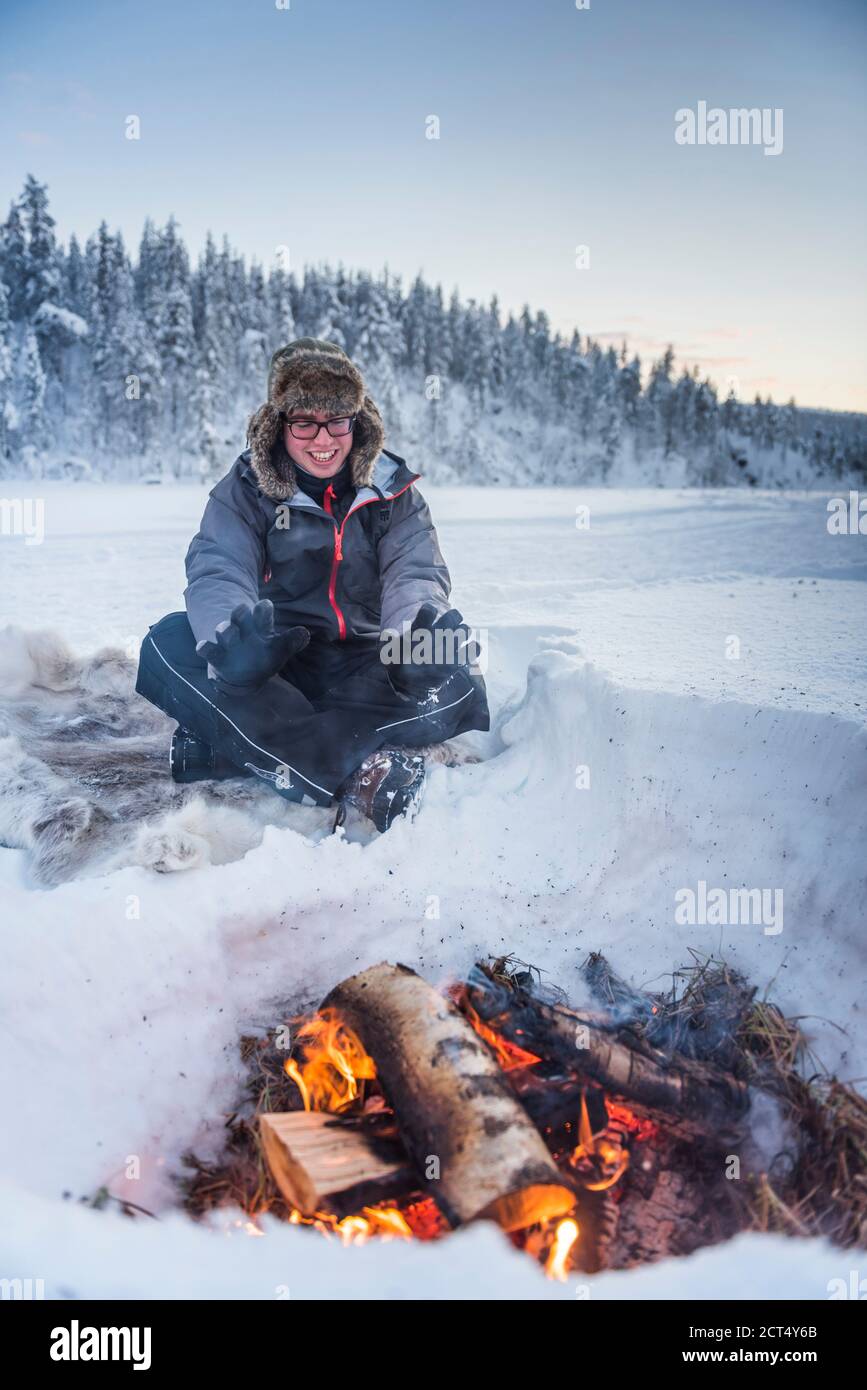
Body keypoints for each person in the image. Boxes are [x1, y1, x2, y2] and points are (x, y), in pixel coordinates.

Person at [135, 338, 489, 831]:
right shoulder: (243, 490)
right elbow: (220, 566)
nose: (323, 440)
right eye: (305, 422)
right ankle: (358, 773)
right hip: (278, 667)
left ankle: (235, 751)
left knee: (458, 672)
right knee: (166, 644)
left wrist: (410, 641)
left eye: (337, 421)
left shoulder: (394, 493)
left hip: (368, 664)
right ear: (279, 424)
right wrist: (232, 641)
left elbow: (416, 573)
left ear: (357, 420)